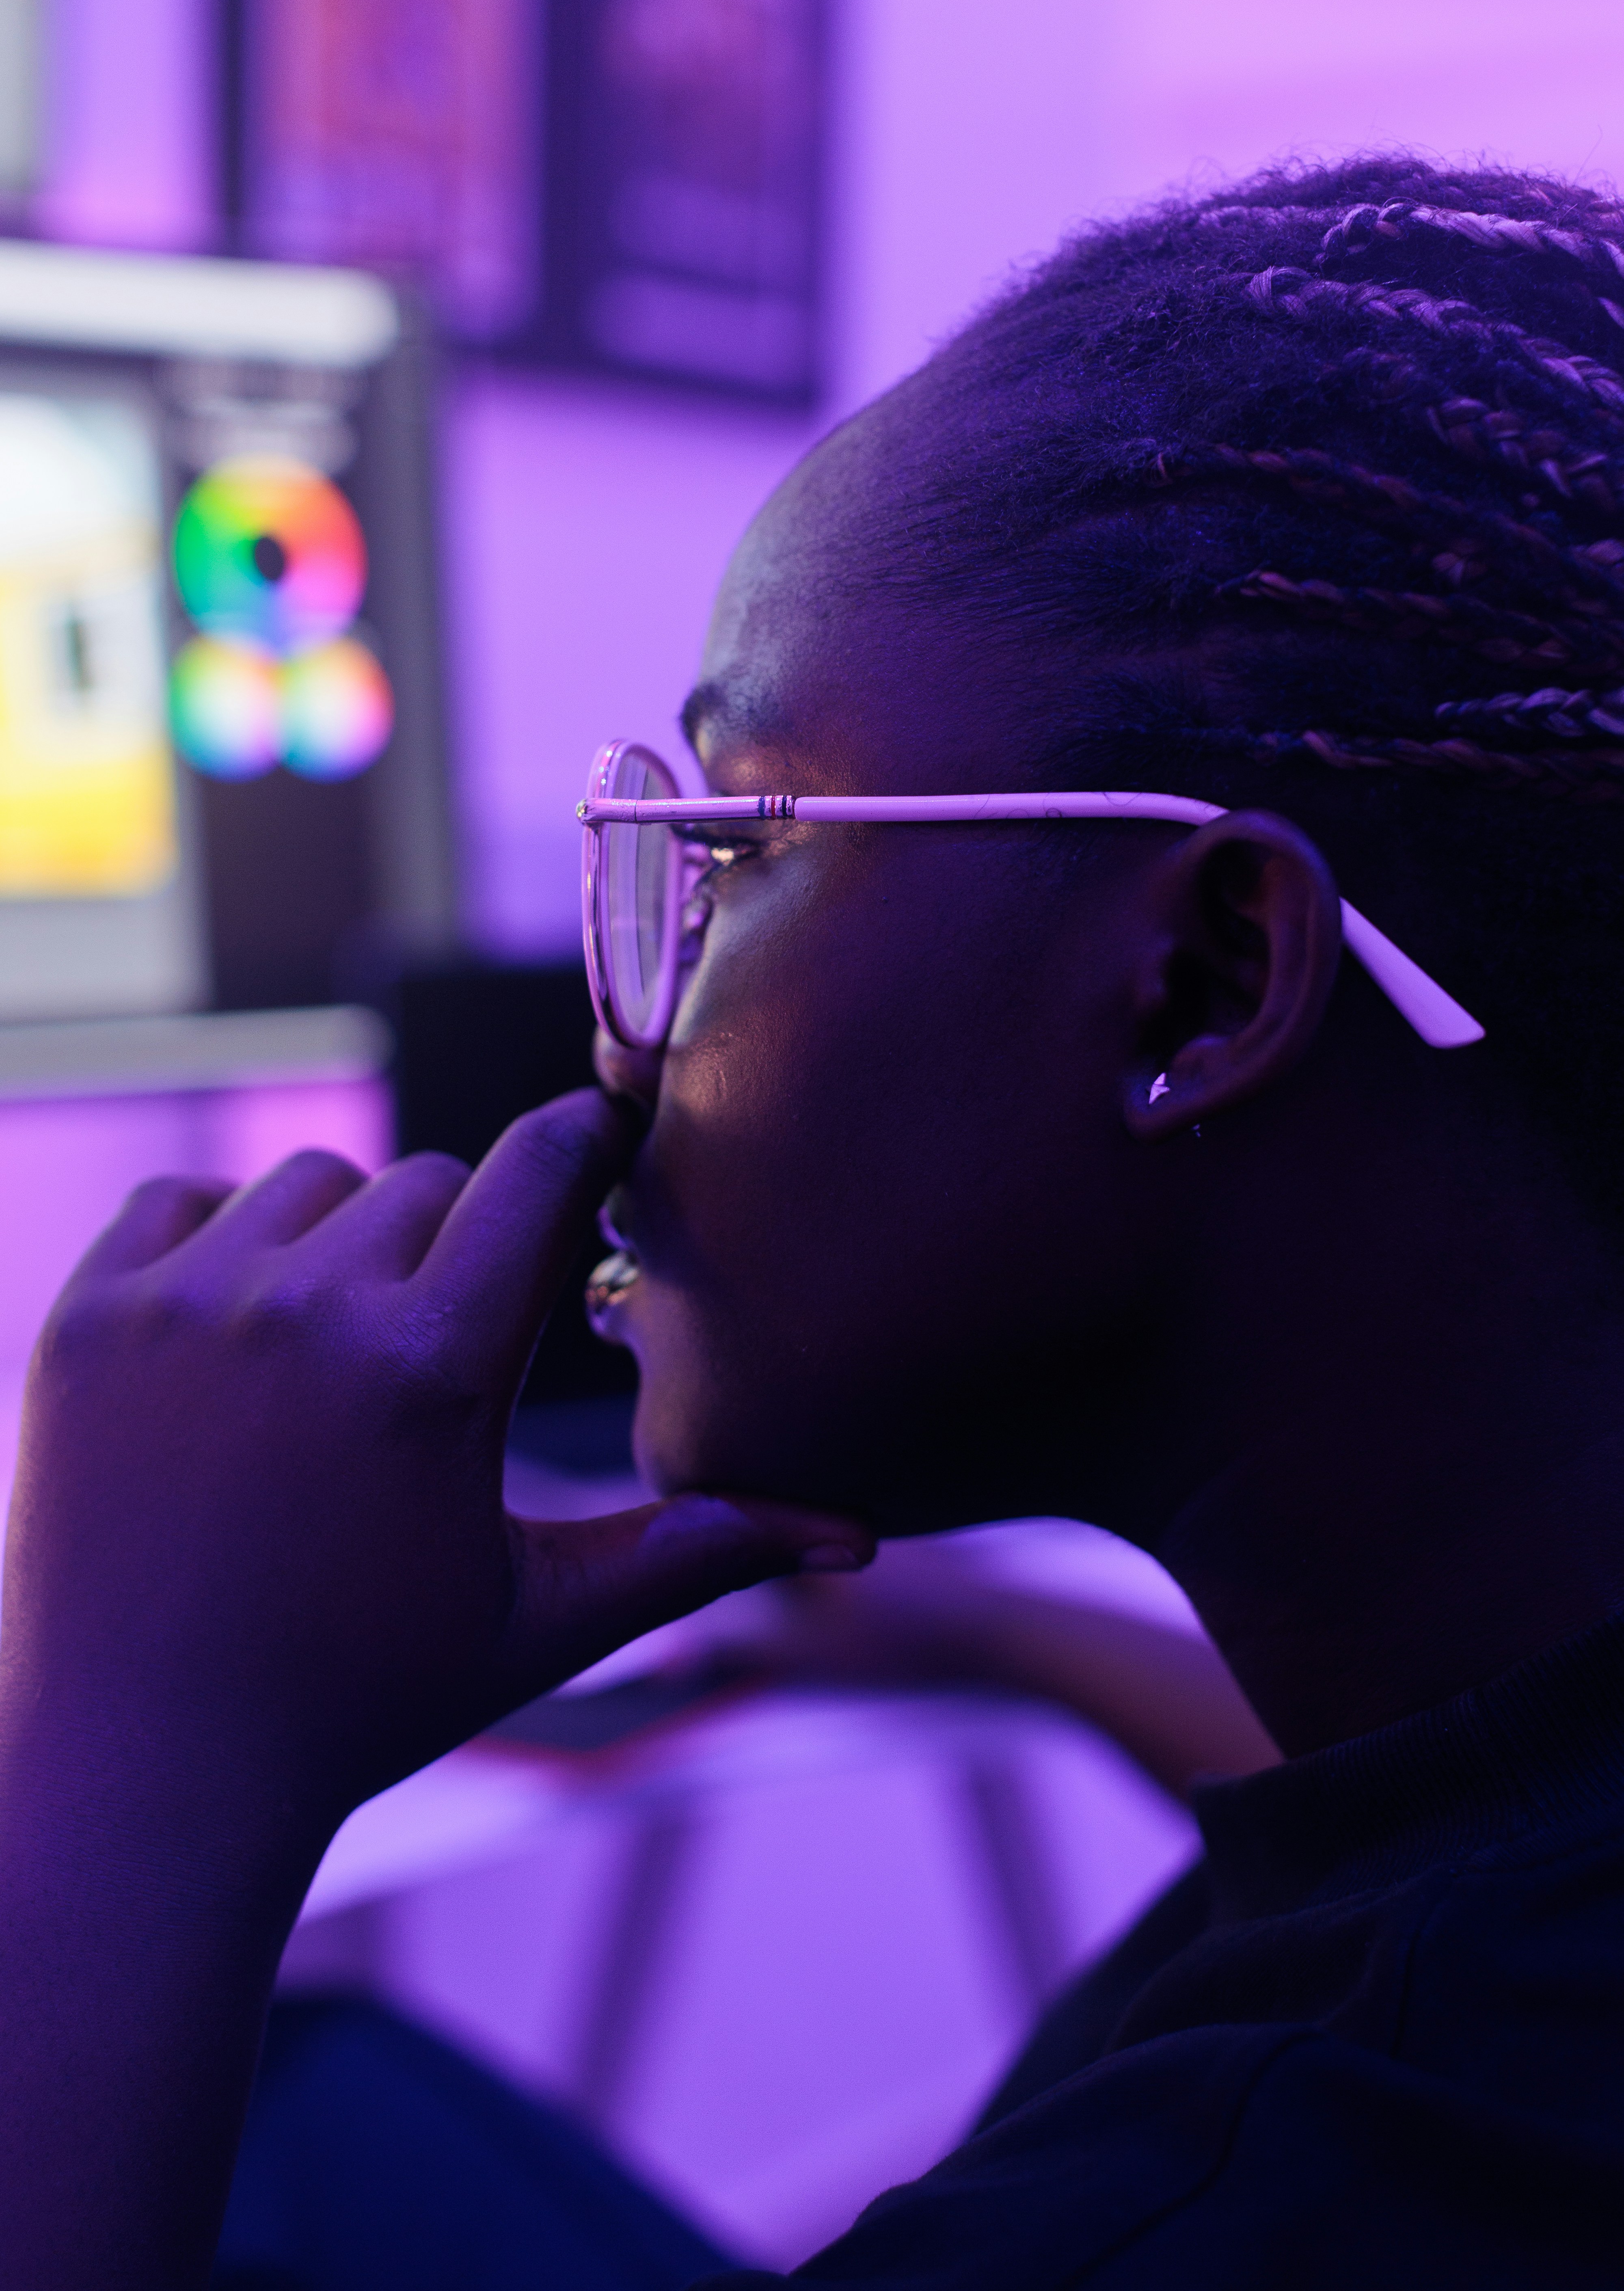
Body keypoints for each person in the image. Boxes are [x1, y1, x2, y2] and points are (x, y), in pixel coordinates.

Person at [6, 150, 1624, 2286]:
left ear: (1211, 980)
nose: (619, 1057)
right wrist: (977, 1631)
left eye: (737, 846)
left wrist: (141, 1760)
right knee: (307, 2102)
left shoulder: (1274, 2201)